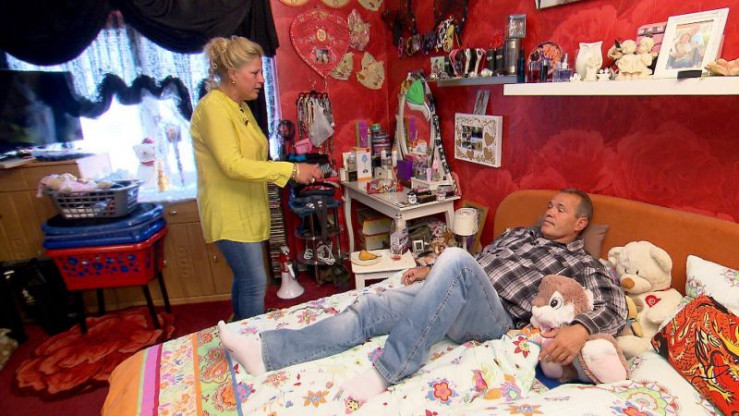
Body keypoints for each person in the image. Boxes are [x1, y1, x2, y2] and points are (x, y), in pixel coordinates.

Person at [218, 188, 627, 401]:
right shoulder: (520, 233)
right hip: (457, 293)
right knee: (370, 306)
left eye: (560, 209)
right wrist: (432, 273)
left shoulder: (582, 261)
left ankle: (388, 370)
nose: (549, 212)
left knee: (455, 257)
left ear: (580, 224)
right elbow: (479, 262)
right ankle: (266, 353)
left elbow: (615, 306)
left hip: (496, 317)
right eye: (550, 205)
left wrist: (580, 329)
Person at [191, 36, 322, 320]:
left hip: (245, 210)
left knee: (246, 280)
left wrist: (294, 170)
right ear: (232, 74)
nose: (261, 79)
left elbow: (256, 159)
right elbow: (232, 165)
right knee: (254, 283)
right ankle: (249, 339)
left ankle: (237, 331)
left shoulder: (240, 106)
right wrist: (289, 171)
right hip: (229, 214)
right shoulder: (213, 108)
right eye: (254, 73)